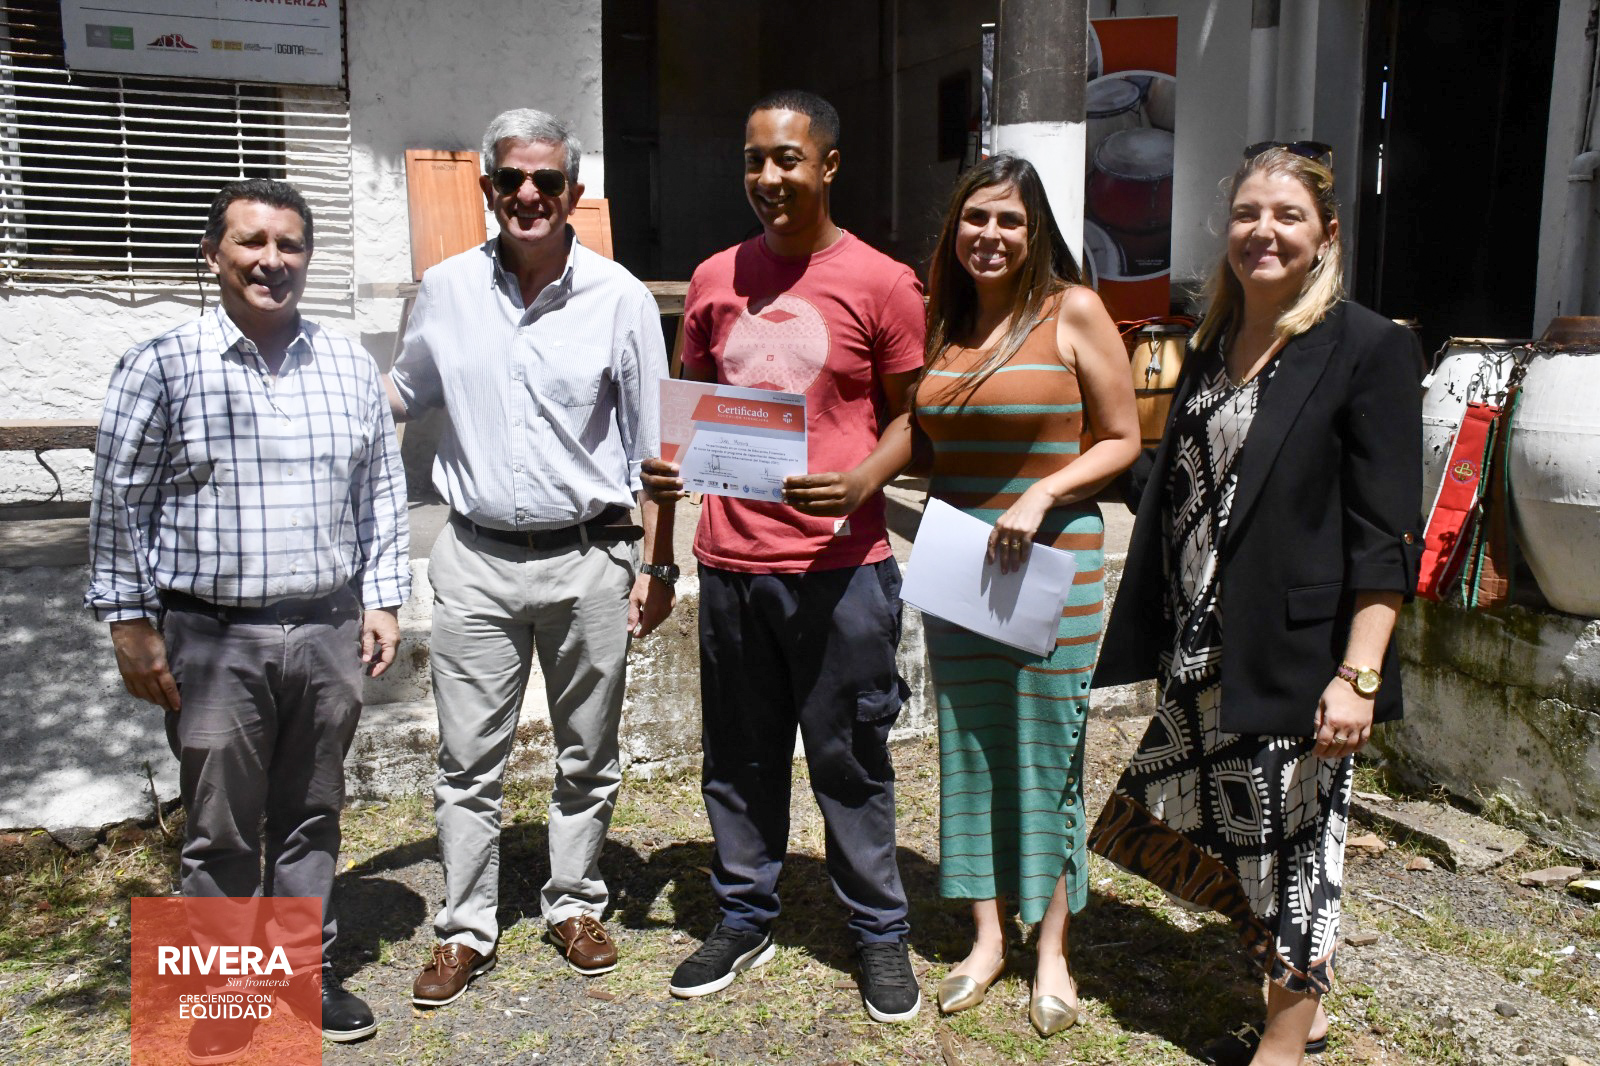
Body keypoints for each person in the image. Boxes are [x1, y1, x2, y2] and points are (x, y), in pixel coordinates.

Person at [1087, 145, 1423, 1066]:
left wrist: (1360, 673)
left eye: (1287, 215)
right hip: (1203, 644)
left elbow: (1386, 534)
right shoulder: (1210, 341)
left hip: (1301, 654)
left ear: (1326, 234)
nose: (1262, 232)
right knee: (1215, 826)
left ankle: (1280, 1044)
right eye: (1247, 213)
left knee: (1297, 850)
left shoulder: (1368, 347)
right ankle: (1298, 998)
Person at [794, 153, 1140, 1036]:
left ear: (1036, 232)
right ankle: (987, 939)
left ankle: (1051, 951)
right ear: (955, 229)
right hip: (962, 565)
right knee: (971, 749)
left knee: (1047, 753)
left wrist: (1042, 494)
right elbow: (917, 430)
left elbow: (1122, 438)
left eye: (1010, 220)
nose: (991, 235)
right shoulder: (942, 324)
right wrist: (852, 471)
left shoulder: (1073, 311)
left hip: (1051, 562)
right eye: (976, 218)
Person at [87, 177, 409, 1056]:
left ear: (308, 256)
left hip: (329, 631)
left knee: (311, 811)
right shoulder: (161, 363)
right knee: (220, 824)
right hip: (212, 636)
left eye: (289, 244)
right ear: (213, 254)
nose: (272, 260)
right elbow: (118, 501)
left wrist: (383, 597)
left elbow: (381, 492)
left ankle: (304, 976)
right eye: (251, 242)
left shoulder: (347, 364)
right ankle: (223, 993)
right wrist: (128, 623)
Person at [641, 90, 926, 1023]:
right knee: (739, 758)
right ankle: (744, 914)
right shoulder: (714, 279)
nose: (768, 177)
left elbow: (914, 419)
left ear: (829, 165)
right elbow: (688, 408)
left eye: (788, 159)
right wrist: (665, 514)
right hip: (731, 564)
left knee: (851, 759)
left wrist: (860, 482)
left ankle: (878, 931)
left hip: (841, 570)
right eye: (754, 159)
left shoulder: (883, 283)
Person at [387, 108, 676, 1006]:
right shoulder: (443, 290)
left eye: (546, 181)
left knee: (588, 752)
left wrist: (659, 567)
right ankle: (466, 927)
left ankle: (574, 902)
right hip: (475, 558)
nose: (527, 195)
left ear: (573, 192)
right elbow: (403, 391)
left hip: (589, 558)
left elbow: (658, 450)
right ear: (487, 188)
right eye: (510, 179)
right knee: (466, 760)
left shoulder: (621, 299)